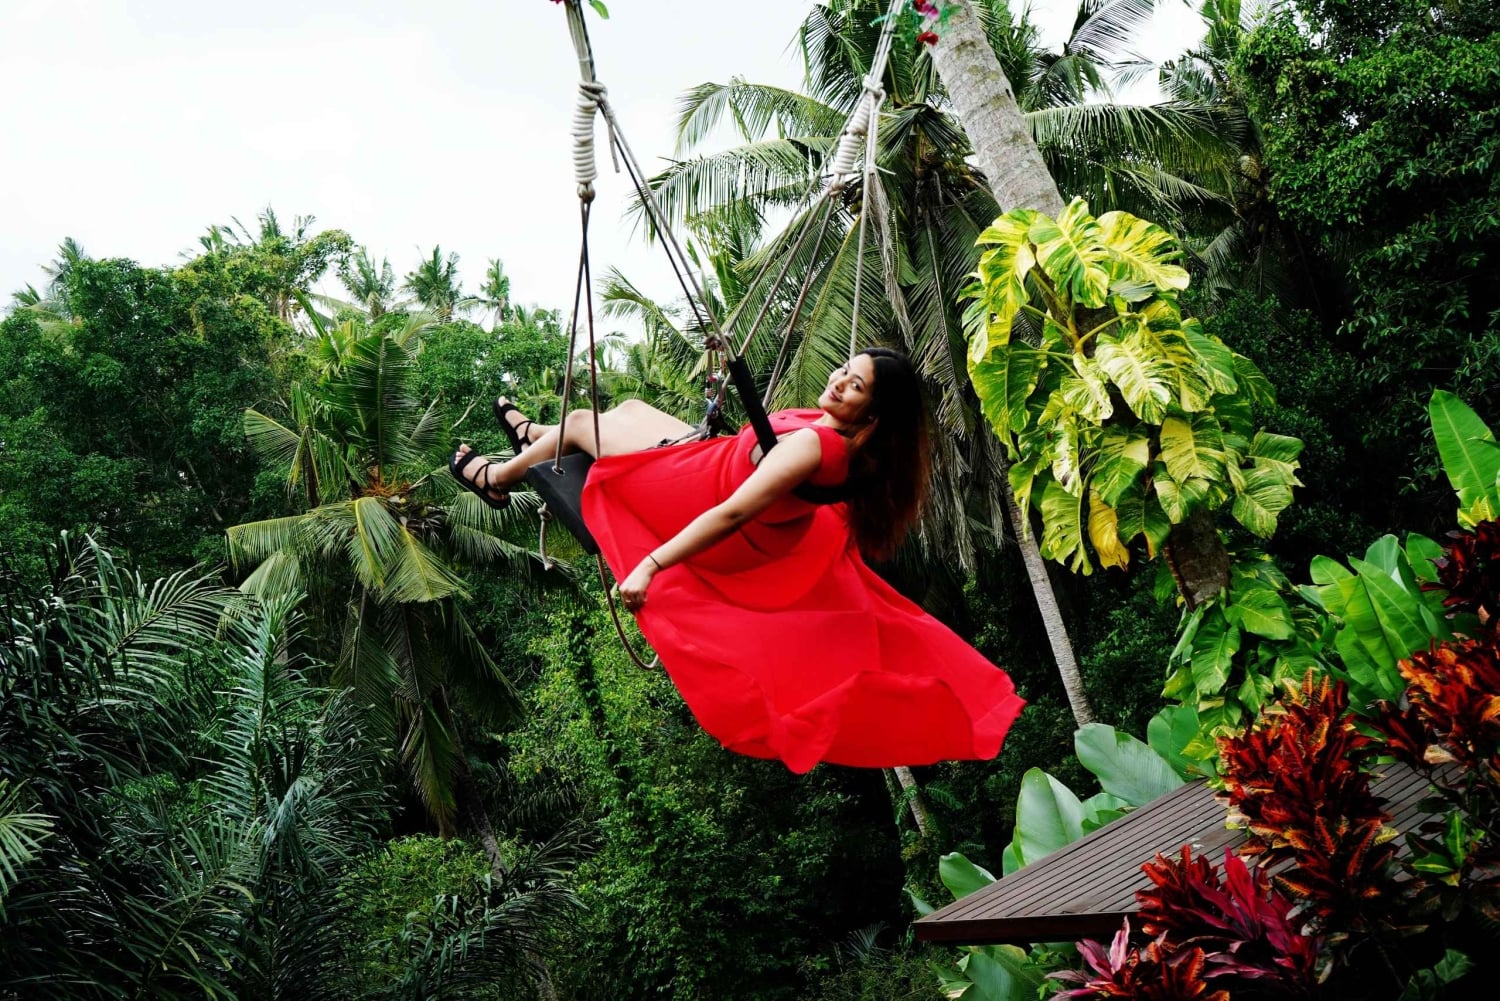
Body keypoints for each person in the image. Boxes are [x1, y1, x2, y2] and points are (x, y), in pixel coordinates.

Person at [450, 348, 1025, 773]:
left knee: (582, 424)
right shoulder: (831, 432)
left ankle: (496, 478)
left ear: (872, 414)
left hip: (698, 495)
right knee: (630, 406)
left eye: (855, 386)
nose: (838, 382)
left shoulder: (815, 448)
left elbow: (731, 514)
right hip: (714, 459)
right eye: (844, 370)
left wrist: (651, 565)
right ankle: (536, 436)